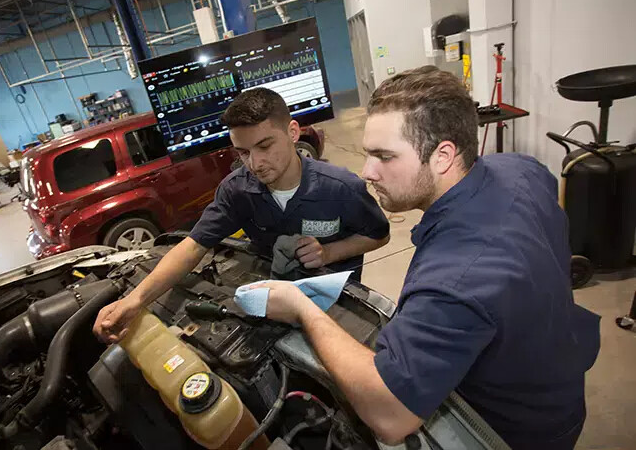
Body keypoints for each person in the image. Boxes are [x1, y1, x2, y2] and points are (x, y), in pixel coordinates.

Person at [257, 67, 601, 449]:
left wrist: (304, 309)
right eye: (368, 153)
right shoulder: (522, 168)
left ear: (443, 156)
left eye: (384, 156)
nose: (367, 171)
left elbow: (390, 416)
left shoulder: (455, 278)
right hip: (559, 380)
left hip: (514, 431)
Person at [94, 87, 390, 344]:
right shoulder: (236, 191)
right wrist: (135, 301)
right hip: (274, 304)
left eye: (265, 146)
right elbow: (193, 245)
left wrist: (328, 252)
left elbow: (379, 234)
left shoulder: (341, 187)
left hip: (338, 306)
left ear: (293, 132)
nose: (255, 163)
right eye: (243, 152)